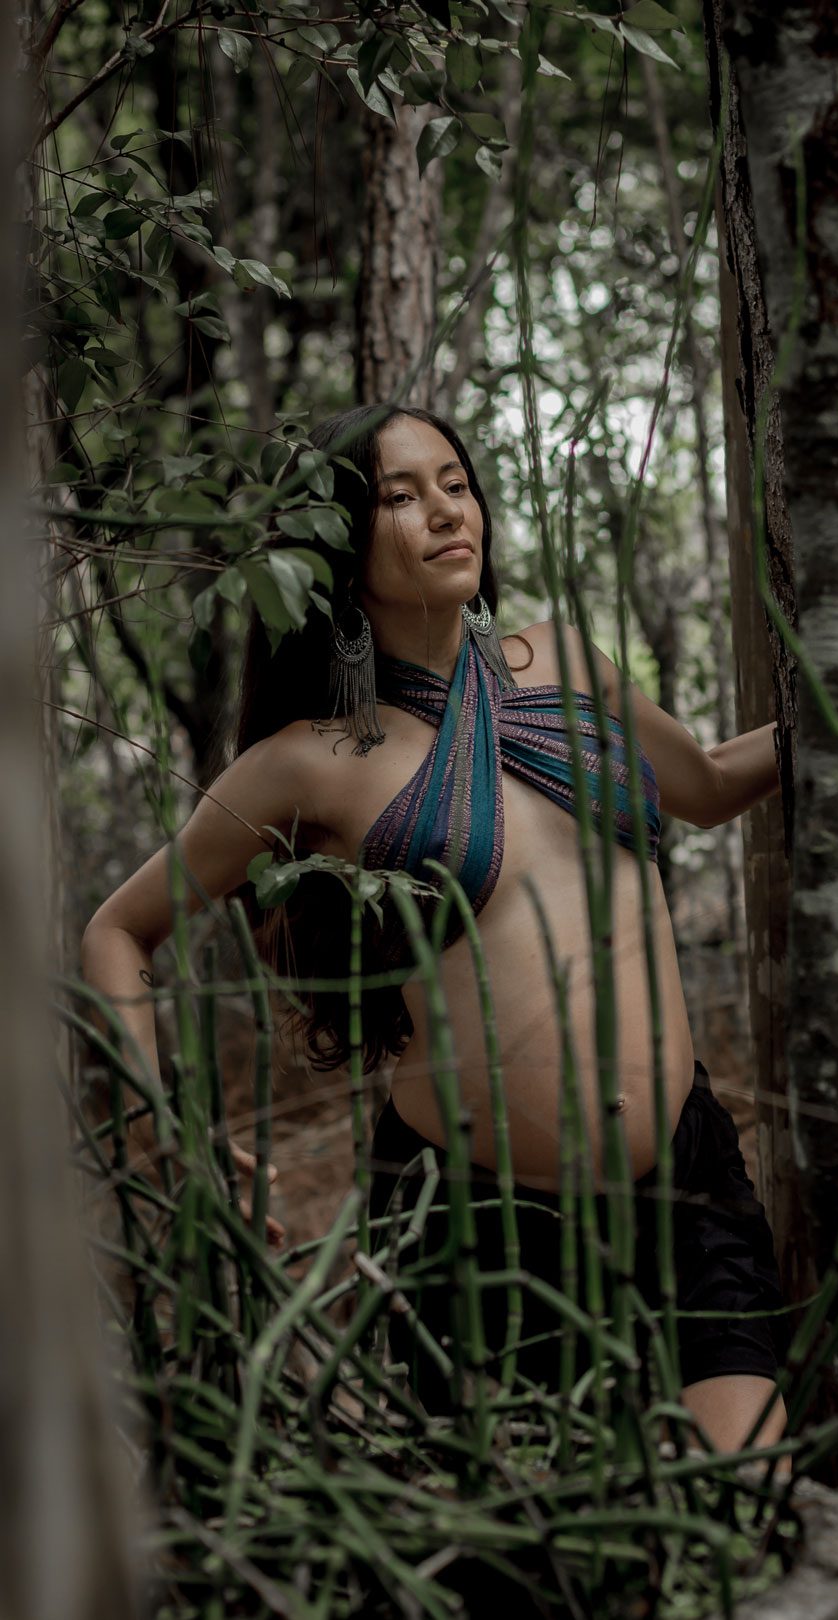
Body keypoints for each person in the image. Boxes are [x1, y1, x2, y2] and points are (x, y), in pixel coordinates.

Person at [80, 401, 789, 1457]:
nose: (447, 512)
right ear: (339, 545)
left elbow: (714, 783)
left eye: (456, 484)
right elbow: (117, 932)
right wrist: (165, 1132)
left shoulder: (568, 661)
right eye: (400, 498)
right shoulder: (311, 760)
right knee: (548, 1533)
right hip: (472, 1220)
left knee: (744, 1493)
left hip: (687, 1181)